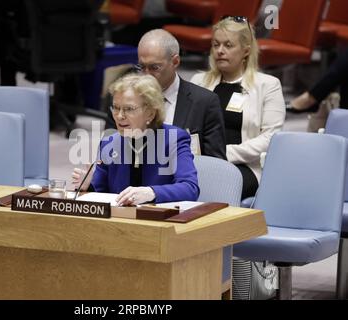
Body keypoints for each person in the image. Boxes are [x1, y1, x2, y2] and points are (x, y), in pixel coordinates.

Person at [190, 16, 285, 199]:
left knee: (217, 188)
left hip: (244, 166)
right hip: (199, 163)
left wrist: (224, 154)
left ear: (246, 51)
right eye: (216, 45)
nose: (220, 51)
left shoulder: (268, 85)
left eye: (228, 45)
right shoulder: (199, 82)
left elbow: (270, 137)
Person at [72, 73, 199, 206]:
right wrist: (88, 187)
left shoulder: (174, 139)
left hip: (160, 221)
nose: (119, 116)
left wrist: (151, 192)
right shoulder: (109, 143)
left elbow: (190, 188)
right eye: (116, 108)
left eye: (129, 109)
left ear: (150, 112)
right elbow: (102, 192)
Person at [108, 29, 227, 160]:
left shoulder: (205, 103)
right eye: (141, 67)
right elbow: (110, 151)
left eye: (154, 67)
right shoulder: (121, 99)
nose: (146, 75)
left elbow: (216, 164)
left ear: (175, 62)